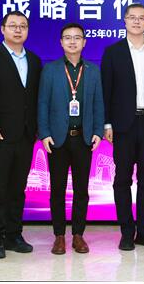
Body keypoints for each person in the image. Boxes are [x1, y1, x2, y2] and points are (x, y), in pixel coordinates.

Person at [101, 3, 144, 251]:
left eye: (141, 18)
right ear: (125, 21)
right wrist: (107, 123)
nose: (137, 21)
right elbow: (106, 90)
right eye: (132, 17)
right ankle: (126, 232)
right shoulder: (113, 52)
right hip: (123, 125)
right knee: (122, 179)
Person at [0, 11, 42, 259]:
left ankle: (14, 235)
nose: (18, 30)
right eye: (12, 25)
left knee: (17, 188)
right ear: (2, 29)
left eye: (22, 26)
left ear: (27, 31)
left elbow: (35, 98)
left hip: (26, 135)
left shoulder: (34, 60)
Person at [38, 23, 104, 255]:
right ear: (61, 42)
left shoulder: (93, 70)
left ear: (84, 42)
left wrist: (98, 131)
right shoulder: (51, 70)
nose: (73, 41)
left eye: (77, 38)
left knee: (81, 190)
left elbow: (98, 103)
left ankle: (78, 235)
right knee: (57, 189)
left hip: (83, 138)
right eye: (68, 38)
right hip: (57, 140)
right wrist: (44, 133)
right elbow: (42, 103)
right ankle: (59, 236)